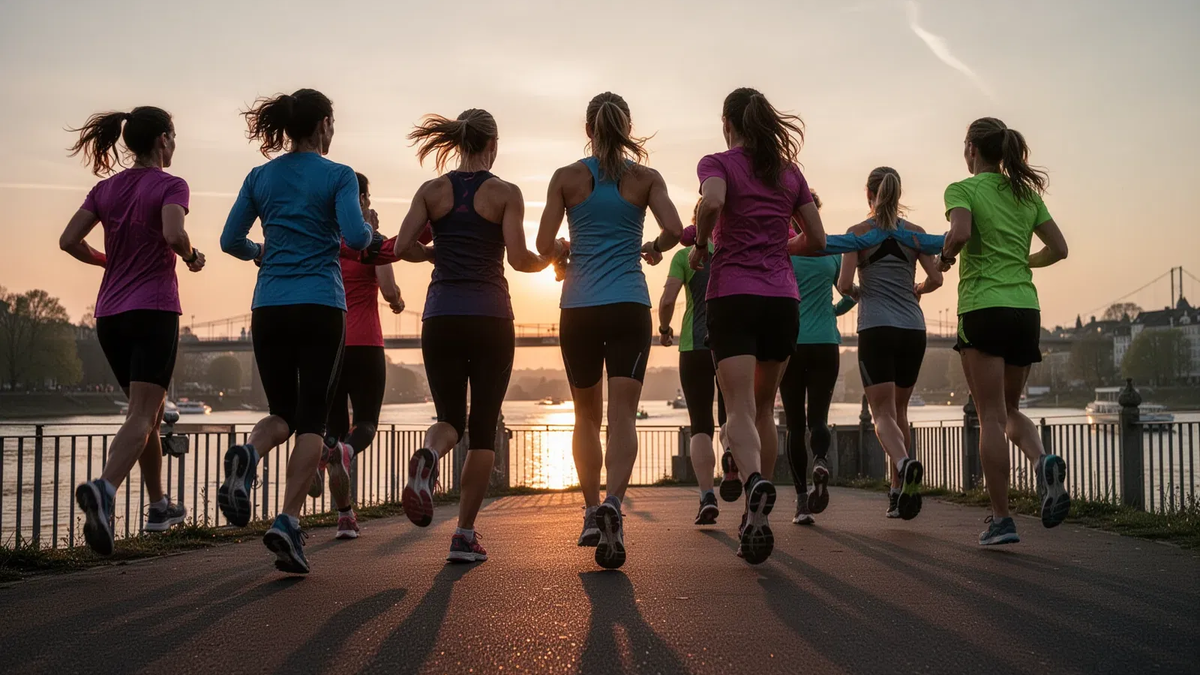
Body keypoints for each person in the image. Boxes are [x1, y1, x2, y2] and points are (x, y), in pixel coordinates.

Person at [218, 88, 375, 574]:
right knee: (311, 421)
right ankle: (287, 521)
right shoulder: (339, 175)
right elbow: (354, 237)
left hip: (269, 307)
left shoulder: (260, 176)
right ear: (324, 124)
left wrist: (260, 253)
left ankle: (248, 451)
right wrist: (367, 227)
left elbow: (229, 240)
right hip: (321, 307)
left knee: (279, 413)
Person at [392, 108, 549, 564]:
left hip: (441, 316)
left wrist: (434, 253)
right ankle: (463, 534)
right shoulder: (505, 193)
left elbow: (402, 248)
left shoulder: (432, 191)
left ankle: (428, 453)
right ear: (494, 145)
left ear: (458, 142)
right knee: (481, 432)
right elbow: (519, 259)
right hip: (491, 319)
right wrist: (550, 261)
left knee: (448, 419)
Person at [537, 92, 683, 569]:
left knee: (584, 415)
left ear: (587, 127)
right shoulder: (645, 178)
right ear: (627, 125)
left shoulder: (566, 178)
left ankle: (588, 512)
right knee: (622, 414)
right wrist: (654, 246)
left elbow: (541, 246)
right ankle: (614, 505)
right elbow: (677, 230)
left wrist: (562, 249)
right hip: (628, 306)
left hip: (578, 308)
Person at [691, 87, 826, 564]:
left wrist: (703, 242)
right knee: (764, 409)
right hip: (781, 300)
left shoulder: (718, 163)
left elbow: (712, 203)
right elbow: (818, 238)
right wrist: (777, 247)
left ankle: (752, 483)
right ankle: (758, 517)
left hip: (733, 295)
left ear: (728, 123)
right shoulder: (789, 173)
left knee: (738, 408)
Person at [62, 106, 203, 555]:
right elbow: (173, 233)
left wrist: (108, 261)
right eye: (174, 136)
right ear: (163, 139)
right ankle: (104, 490)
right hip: (154, 309)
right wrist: (191, 255)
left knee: (147, 415)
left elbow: (68, 241)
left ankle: (159, 505)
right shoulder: (170, 184)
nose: (176, 143)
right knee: (143, 414)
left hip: (109, 315)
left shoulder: (104, 189)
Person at [939, 117, 1070, 546]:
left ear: (972, 150)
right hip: (1025, 310)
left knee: (990, 416)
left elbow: (959, 232)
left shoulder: (962, 189)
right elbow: (1060, 249)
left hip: (983, 308)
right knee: (1010, 409)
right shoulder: (1026, 194)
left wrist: (945, 255)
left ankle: (1001, 519)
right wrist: (1022, 262)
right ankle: (1043, 459)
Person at [837, 167, 942, 521]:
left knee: (881, 413)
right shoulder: (916, 235)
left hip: (876, 328)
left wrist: (856, 293)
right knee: (900, 412)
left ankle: (903, 464)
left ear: (869, 194)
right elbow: (937, 278)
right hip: (913, 328)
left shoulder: (857, 234)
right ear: (897, 195)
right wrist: (918, 290)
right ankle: (898, 492)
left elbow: (844, 284)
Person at [309, 172, 408, 540]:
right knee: (364, 424)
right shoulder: (371, 242)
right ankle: (346, 451)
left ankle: (345, 516)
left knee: (333, 430)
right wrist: (398, 302)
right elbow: (388, 290)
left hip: (331, 343)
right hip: (366, 343)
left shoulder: (329, 241)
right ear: (362, 199)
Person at [779, 191, 857, 525]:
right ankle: (821, 459)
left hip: (791, 345)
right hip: (826, 343)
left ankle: (800, 503)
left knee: (795, 425)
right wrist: (833, 311)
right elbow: (851, 292)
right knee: (818, 420)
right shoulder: (830, 251)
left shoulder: (783, 253)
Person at [659, 206, 728, 526]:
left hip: (695, 346)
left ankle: (706, 495)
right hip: (732, 346)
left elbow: (668, 300)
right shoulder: (734, 250)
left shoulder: (684, 256)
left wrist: (664, 328)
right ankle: (732, 464)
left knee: (700, 423)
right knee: (735, 414)